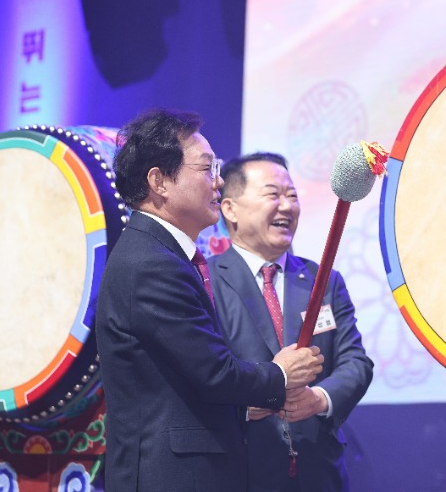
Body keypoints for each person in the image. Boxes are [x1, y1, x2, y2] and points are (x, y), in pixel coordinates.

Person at [96, 109, 324, 492]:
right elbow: (214, 374)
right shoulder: (152, 263)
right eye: (207, 168)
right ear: (159, 181)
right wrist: (281, 373)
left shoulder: (157, 254)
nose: (218, 181)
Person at [208, 152, 374, 492]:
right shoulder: (205, 281)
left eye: (292, 196)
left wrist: (320, 398)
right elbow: (200, 372)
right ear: (230, 209)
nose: (287, 206)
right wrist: (242, 404)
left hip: (318, 472)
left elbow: (356, 362)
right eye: (273, 194)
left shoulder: (323, 280)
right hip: (239, 469)